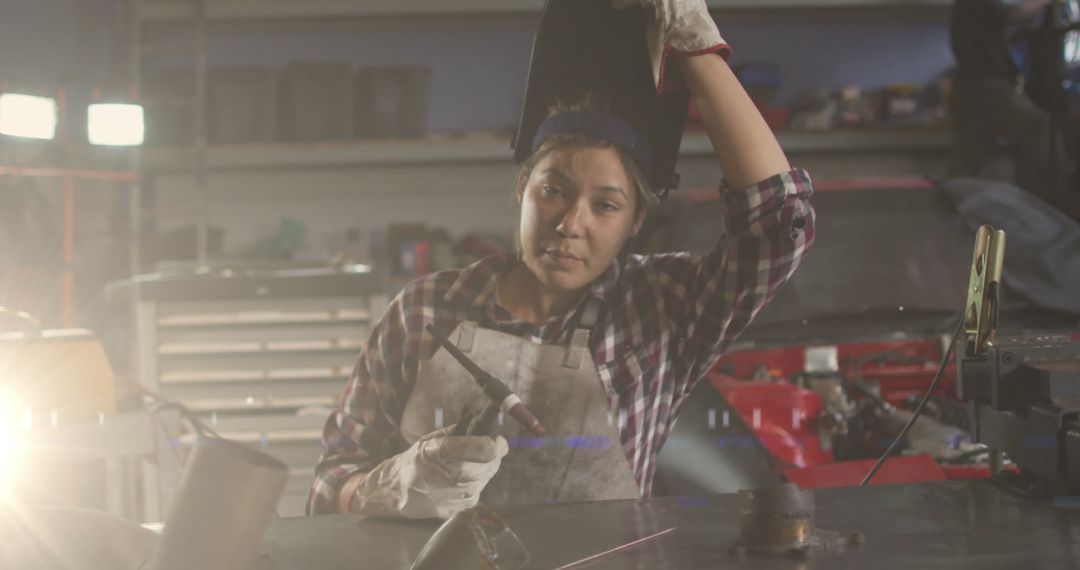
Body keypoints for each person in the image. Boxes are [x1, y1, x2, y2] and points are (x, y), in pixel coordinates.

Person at [307, 0, 816, 518]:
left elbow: (776, 225)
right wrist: (387, 488)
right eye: (554, 190)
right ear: (522, 187)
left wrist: (698, 51)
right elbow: (328, 485)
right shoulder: (423, 310)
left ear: (635, 221)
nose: (571, 223)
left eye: (606, 205)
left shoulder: (663, 310)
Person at [949, 0, 1063, 201]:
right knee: (1040, 128)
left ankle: (953, 212)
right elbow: (1012, 14)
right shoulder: (983, 7)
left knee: (968, 155)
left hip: (971, 86)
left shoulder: (975, 13)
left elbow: (1006, 21)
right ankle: (1038, 206)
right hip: (986, 85)